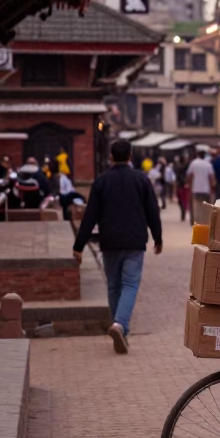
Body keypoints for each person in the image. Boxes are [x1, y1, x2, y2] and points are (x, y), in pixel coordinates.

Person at [72, 139, 162, 354]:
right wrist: (158, 238)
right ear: (130, 156)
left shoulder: (101, 181)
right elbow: (153, 211)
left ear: (111, 157)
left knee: (113, 286)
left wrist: (79, 245)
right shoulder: (141, 179)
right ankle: (120, 325)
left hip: (109, 242)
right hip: (134, 242)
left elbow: (90, 215)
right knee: (130, 285)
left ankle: (120, 328)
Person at [186, 149, 216, 224]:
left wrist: (190, 185)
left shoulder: (193, 163)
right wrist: (212, 188)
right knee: (206, 207)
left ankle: (195, 222)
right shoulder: (208, 164)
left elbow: (189, 175)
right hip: (206, 190)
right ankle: (205, 222)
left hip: (196, 189)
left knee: (196, 207)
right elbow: (211, 178)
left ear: (197, 154)